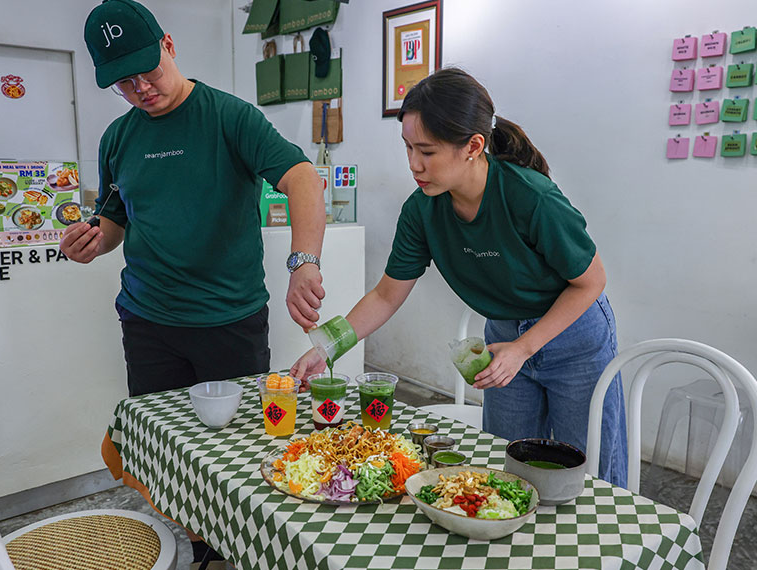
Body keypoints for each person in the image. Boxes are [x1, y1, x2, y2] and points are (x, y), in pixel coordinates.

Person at [66, 0, 326, 566]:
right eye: (123, 82)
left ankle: (238, 546)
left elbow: (303, 179)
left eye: (147, 71)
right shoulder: (117, 138)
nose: (140, 88)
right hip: (148, 320)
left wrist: (304, 259)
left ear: (169, 45)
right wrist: (93, 241)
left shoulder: (230, 117)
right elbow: (114, 220)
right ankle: (202, 542)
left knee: (234, 449)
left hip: (228, 320)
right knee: (168, 450)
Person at [292, 68, 627, 487]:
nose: (414, 164)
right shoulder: (422, 210)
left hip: (574, 337)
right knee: (508, 470)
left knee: (591, 475)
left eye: (427, 152)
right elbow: (385, 295)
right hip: (504, 337)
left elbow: (591, 282)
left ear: (473, 146)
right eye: (408, 148)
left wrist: (524, 348)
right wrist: (327, 347)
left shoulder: (532, 198)